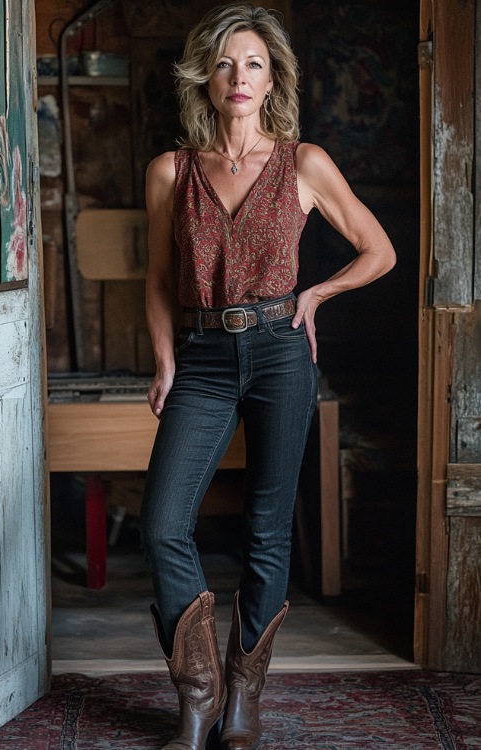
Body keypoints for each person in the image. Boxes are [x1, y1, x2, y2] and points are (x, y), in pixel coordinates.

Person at [140, 5, 396, 749]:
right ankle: (198, 694)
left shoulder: (304, 163)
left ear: (272, 76)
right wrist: (164, 360)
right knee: (162, 526)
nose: (239, 76)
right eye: (225, 63)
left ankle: (244, 696)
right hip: (203, 356)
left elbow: (378, 251)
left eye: (253, 62)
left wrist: (316, 294)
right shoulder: (171, 171)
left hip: (283, 351)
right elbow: (158, 279)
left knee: (266, 527)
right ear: (207, 79)